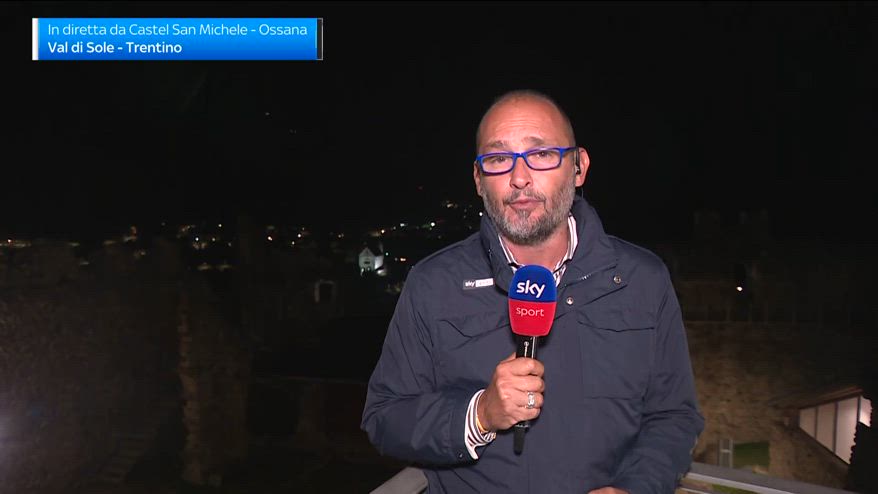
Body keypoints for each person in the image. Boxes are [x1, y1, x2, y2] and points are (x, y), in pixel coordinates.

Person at [362, 90, 704, 493]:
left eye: (541, 154)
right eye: (498, 159)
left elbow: (673, 416)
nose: (519, 177)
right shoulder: (433, 284)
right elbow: (385, 419)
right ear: (478, 180)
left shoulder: (642, 279)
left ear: (578, 167)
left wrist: (636, 487)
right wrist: (478, 415)